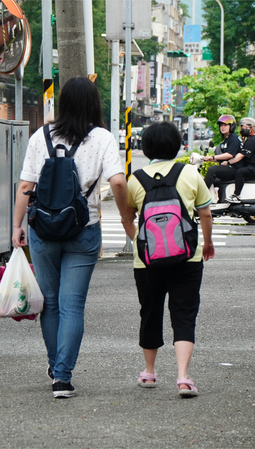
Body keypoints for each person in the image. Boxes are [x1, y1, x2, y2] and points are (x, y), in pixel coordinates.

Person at [12, 77, 130, 399]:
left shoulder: (42, 136)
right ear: (95, 103)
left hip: (43, 230)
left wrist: (16, 226)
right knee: (72, 305)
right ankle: (62, 377)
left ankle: (55, 367)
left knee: (49, 304)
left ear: (63, 103)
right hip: (83, 228)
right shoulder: (102, 138)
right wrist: (125, 215)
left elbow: (25, 186)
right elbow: (118, 182)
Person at [123, 121, 214, 397]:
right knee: (184, 314)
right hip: (186, 258)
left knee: (150, 312)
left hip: (147, 262)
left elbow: (128, 218)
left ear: (146, 146)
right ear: (177, 146)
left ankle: (149, 373)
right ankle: (184, 377)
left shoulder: (135, 178)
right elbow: (206, 214)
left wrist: (142, 243)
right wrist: (207, 243)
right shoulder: (190, 173)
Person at [202, 115, 242, 201]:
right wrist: (208, 158)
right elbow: (222, 157)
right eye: (221, 125)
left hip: (234, 168)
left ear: (232, 126)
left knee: (212, 170)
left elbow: (230, 155)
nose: (222, 127)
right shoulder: (227, 140)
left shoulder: (234, 138)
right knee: (214, 180)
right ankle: (217, 200)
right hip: (228, 167)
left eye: (225, 125)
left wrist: (213, 156)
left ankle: (201, 195)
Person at [224, 117, 255, 203]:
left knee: (240, 172)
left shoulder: (253, 140)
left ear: (252, 128)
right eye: (242, 127)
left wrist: (228, 162)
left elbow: (240, 156)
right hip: (251, 167)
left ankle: (237, 195)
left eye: (246, 127)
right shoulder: (249, 139)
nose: (243, 129)